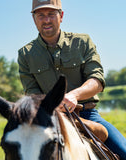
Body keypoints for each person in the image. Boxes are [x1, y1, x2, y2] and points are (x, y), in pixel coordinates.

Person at [18, 0, 126, 159]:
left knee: (123, 150)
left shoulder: (82, 42)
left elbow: (97, 80)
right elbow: (32, 94)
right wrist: (52, 104)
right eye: (41, 15)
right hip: (49, 120)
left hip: (87, 115)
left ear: (61, 16)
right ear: (34, 19)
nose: (46, 20)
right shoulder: (25, 54)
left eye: (51, 14)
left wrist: (74, 96)